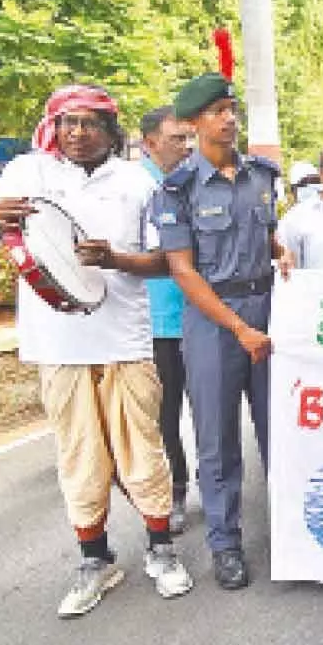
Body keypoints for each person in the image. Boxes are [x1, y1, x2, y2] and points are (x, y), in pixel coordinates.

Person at [0, 85, 192, 616]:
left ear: (111, 130)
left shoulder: (136, 182)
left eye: (91, 124)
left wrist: (115, 260)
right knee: (80, 456)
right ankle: (95, 560)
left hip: (125, 338)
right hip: (57, 344)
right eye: (68, 123)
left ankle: (161, 551)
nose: (78, 134)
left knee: (142, 451)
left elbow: (165, 260)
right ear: (54, 127)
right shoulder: (25, 174)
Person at [155, 72, 293, 590]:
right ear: (193, 123)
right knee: (217, 438)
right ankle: (226, 544)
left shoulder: (262, 175)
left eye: (232, 108)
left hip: (269, 311)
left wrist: (282, 252)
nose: (229, 118)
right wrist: (238, 326)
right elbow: (184, 271)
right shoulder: (178, 188)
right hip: (216, 323)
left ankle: (291, 531)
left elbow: (267, 232)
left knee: (279, 427)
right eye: (216, 111)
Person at [138, 106, 194, 535]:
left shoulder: (195, 182)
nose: (187, 146)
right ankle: (175, 493)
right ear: (150, 143)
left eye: (190, 137)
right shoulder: (135, 187)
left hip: (204, 315)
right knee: (166, 416)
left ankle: (219, 491)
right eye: (178, 138)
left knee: (215, 411)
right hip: (156, 325)